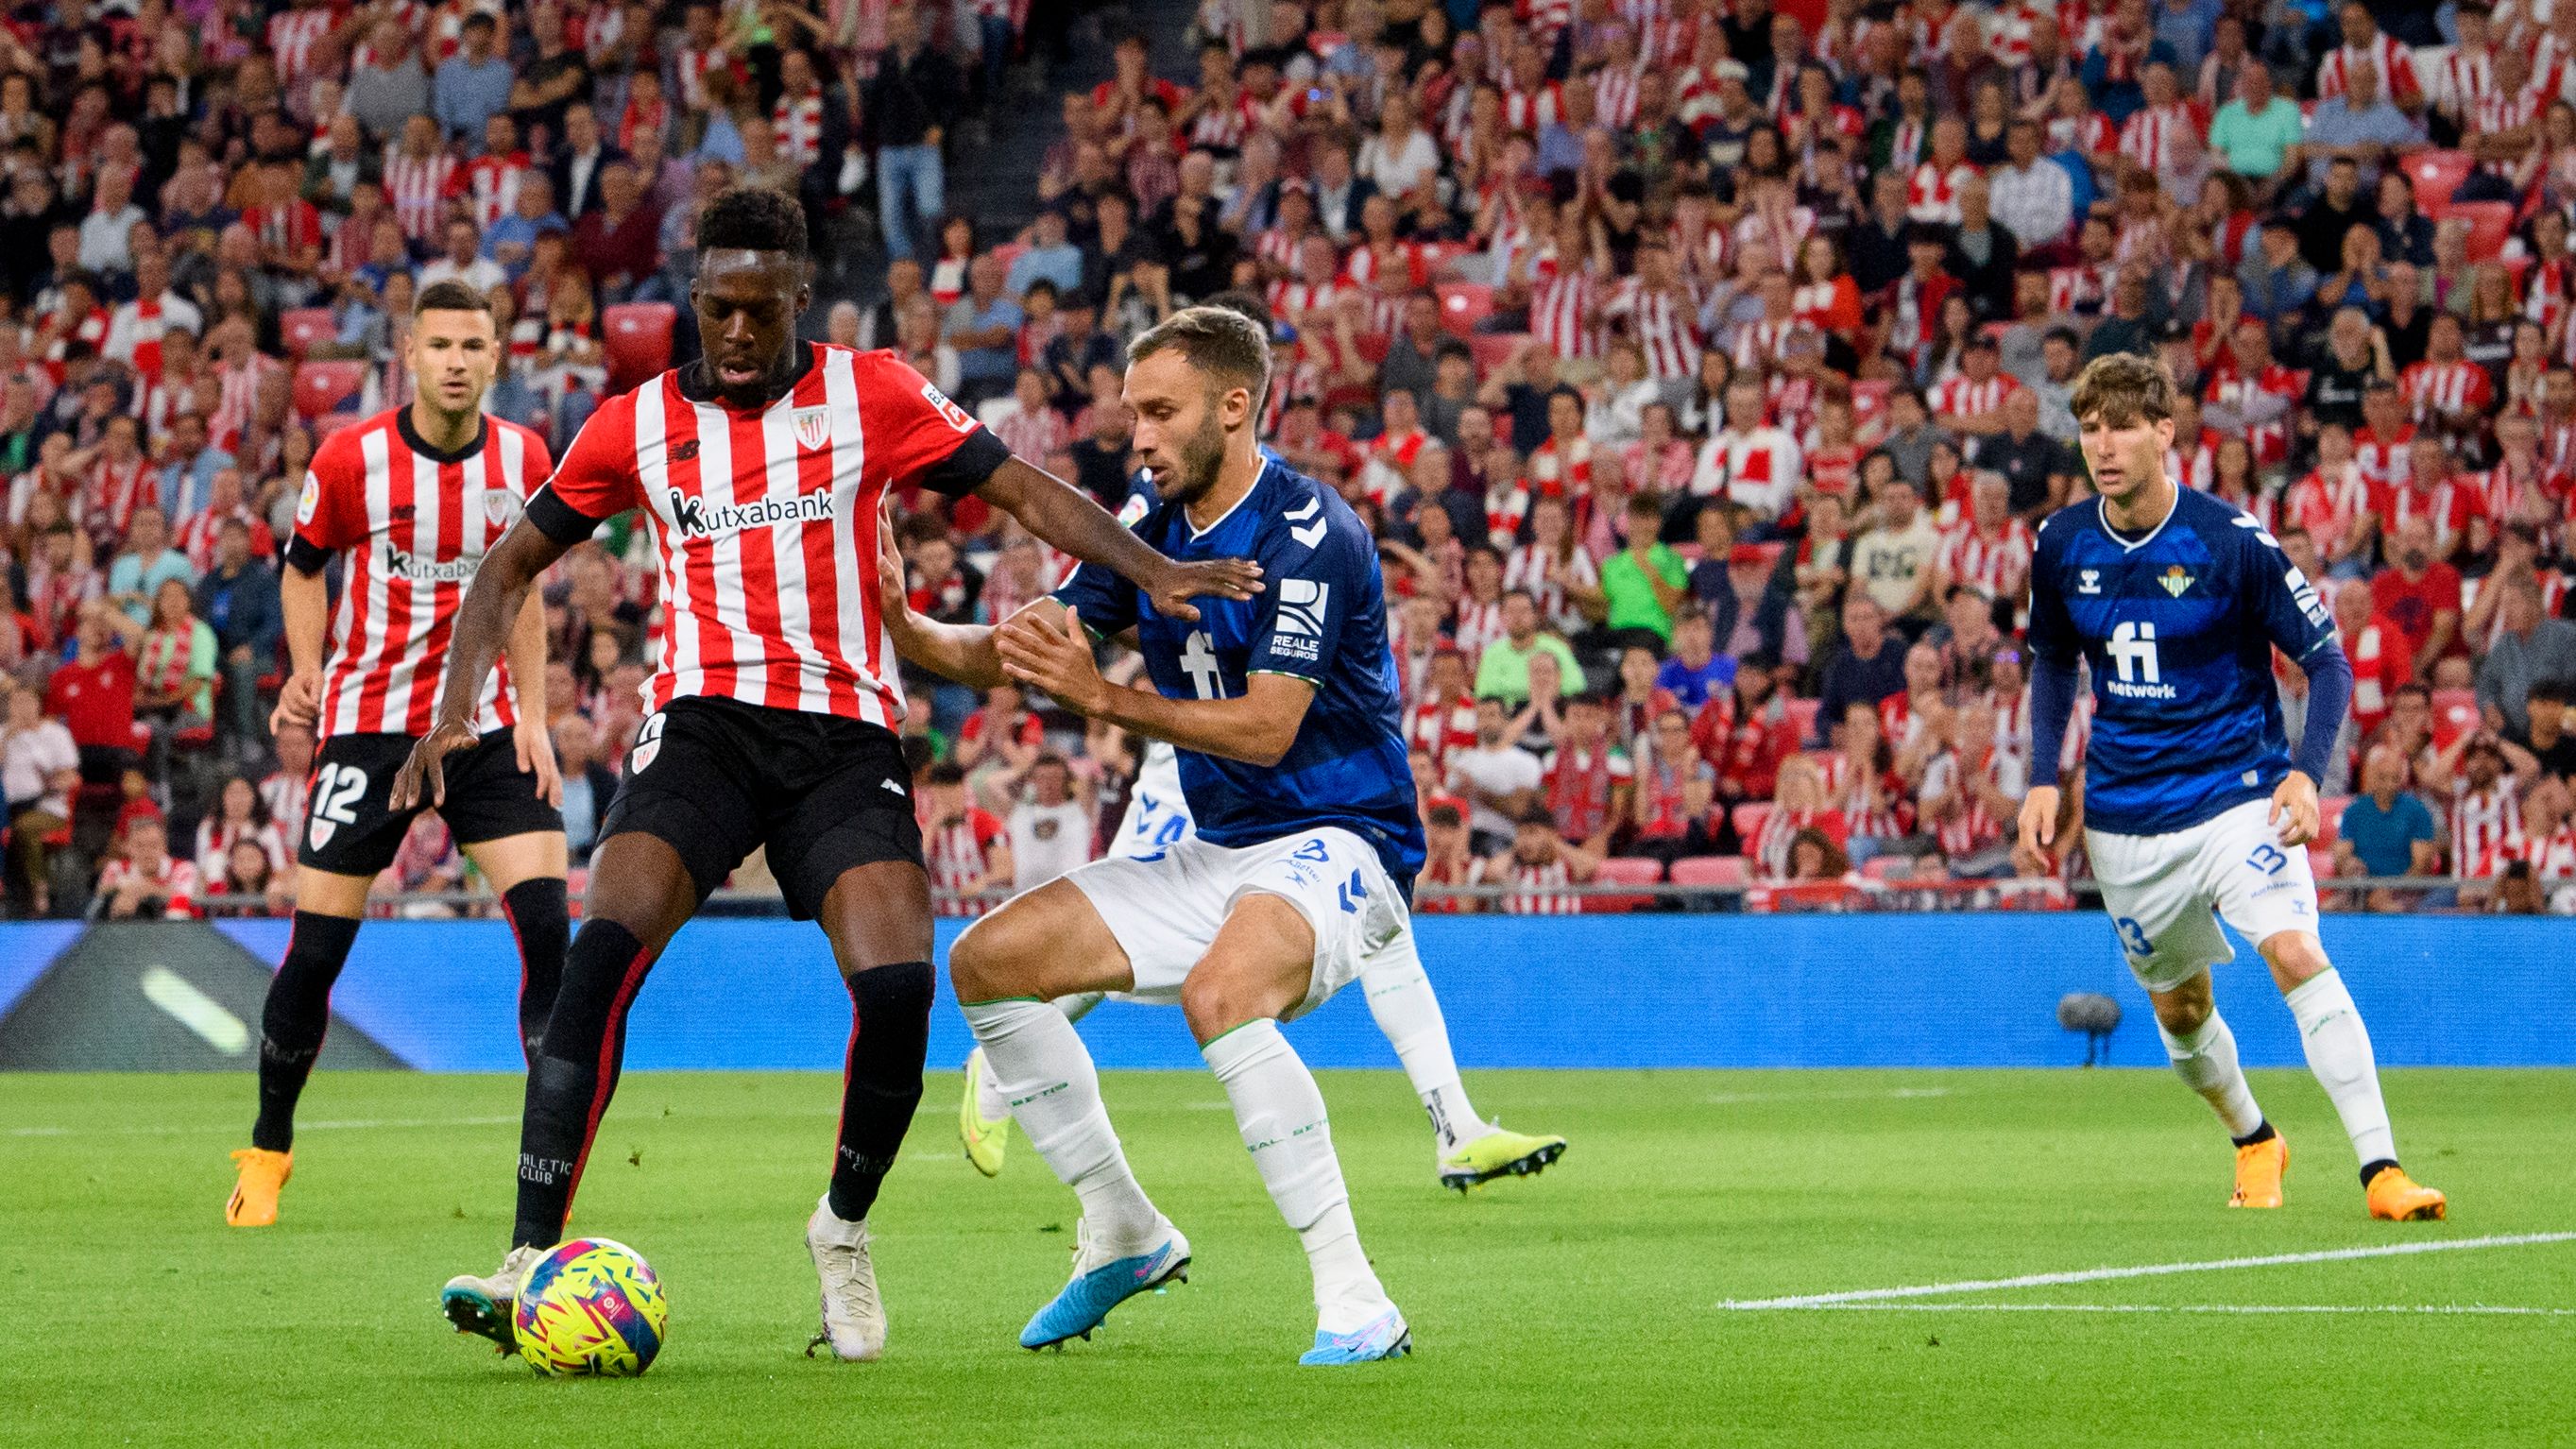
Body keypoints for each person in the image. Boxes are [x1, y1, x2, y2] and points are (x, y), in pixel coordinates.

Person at [412, 192, 1254, 1365]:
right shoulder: (633, 423)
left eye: (761, 310)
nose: (737, 331)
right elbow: (508, 565)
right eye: (718, 307)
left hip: (843, 734)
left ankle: (842, 1231)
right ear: (694, 298)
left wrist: (1152, 568)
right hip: (702, 726)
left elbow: (1022, 488)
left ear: (800, 300)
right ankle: (525, 1256)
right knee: (597, 961)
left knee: (900, 991)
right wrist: (456, 710)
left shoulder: (873, 394)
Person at [879, 305, 1425, 1363]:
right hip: (1222, 851)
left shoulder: (1308, 532)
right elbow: (1028, 648)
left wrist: (1106, 700)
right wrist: (909, 629)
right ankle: (1124, 1229)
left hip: (1345, 837)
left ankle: (1356, 1297)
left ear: (1235, 407)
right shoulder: (1149, 527)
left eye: (1161, 412)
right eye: (1133, 412)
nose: (1138, 435)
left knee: (1224, 995)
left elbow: (1269, 729)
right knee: (988, 963)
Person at [2018, 352, 2446, 1221]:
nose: (2103, 446)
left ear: (2164, 433)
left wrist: (2304, 775)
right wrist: (2039, 779)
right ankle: (2254, 1138)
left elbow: (2327, 663)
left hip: (2234, 794)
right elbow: (2054, 661)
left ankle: (2382, 1171)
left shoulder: (2230, 541)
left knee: (2294, 951)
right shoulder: (2060, 543)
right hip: (2124, 817)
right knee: (2180, 1012)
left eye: (2121, 428)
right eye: (2090, 429)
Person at [225, 281, 573, 1232]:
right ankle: (268, 1147)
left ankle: (549, 1168)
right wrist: (306, 668)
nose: (457, 361)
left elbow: (524, 594)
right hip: (371, 726)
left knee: (551, 934)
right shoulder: (352, 458)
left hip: (485, 729)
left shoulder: (523, 456)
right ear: (409, 353)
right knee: (316, 953)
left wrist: (534, 715)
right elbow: (303, 567)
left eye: (474, 346)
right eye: (441, 345)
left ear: (497, 356)